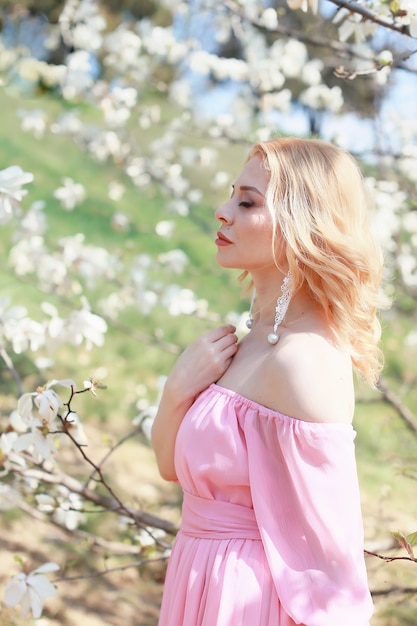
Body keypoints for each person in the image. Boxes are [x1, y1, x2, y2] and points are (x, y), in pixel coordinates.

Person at [151, 137, 387, 626]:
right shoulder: (250, 340)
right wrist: (177, 391)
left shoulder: (304, 361)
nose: (222, 211)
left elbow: (330, 553)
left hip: (248, 599)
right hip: (199, 574)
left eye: (247, 202)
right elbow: (171, 468)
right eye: (230, 194)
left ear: (302, 224)